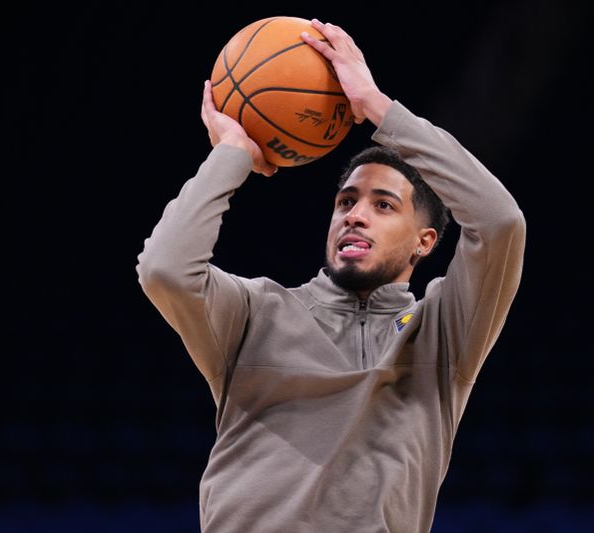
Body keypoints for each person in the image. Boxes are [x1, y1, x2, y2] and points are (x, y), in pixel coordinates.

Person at [136, 18, 525, 533]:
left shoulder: (443, 334)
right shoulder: (255, 312)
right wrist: (231, 155)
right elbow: (164, 270)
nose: (355, 215)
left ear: (424, 242)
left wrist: (378, 107)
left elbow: (501, 222)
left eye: (383, 205)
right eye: (346, 201)